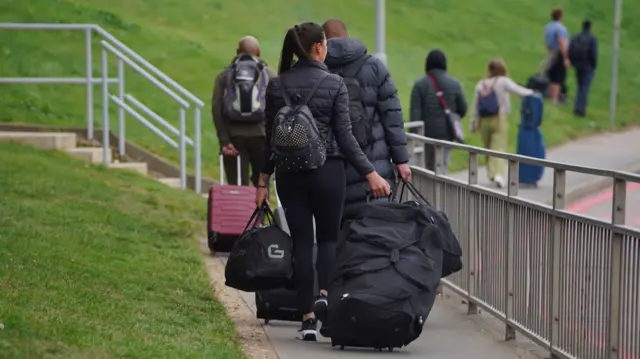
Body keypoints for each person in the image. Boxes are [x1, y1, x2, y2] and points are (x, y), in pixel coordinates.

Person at [254, 22, 390, 341]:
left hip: (290, 174)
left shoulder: (276, 85)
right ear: (318, 47)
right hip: (329, 172)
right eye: (325, 44)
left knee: (302, 242)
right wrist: (371, 173)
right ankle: (325, 299)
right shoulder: (334, 84)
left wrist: (261, 181)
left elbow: (268, 139)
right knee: (328, 241)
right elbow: (346, 138)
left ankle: (306, 321)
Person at [322, 18, 411, 219]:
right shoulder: (374, 67)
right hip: (373, 168)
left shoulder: (317, 70)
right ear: (348, 36)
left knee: (335, 236)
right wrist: (401, 160)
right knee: (375, 231)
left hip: (331, 169)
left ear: (323, 41)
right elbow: (392, 116)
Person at [211, 36, 275, 186]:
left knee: (237, 186)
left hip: (234, 138)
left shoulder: (225, 75)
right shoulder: (269, 75)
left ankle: (240, 209)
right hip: (262, 137)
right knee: (262, 185)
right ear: (258, 52)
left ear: (237, 52)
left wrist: (224, 140)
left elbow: (216, 108)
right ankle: (260, 209)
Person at [470, 58, 534, 188]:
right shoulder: (503, 81)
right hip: (499, 119)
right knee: (498, 147)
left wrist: (473, 123)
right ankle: (498, 174)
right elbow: (520, 91)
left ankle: (491, 174)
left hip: (483, 121)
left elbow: (475, 106)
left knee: (487, 147)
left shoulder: (480, 84)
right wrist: (534, 93)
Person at [410, 49, 468, 173]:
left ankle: (428, 192)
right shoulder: (454, 84)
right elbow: (463, 109)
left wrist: (412, 136)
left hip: (426, 133)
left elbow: (415, 113)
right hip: (446, 133)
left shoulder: (420, 85)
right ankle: (440, 191)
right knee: (442, 166)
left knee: (427, 168)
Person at [569, 19, 598, 117]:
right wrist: (593, 66)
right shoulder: (592, 39)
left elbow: (570, 49)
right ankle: (580, 110)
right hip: (587, 66)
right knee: (585, 88)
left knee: (580, 86)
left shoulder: (577, 37)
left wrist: (573, 63)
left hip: (578, 65)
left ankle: (577, 107)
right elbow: (594, 54)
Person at [541, 7, 570, 105]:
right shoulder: (560, 28)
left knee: (551, 75)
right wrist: (566, 57)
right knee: (558, 78)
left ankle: (550, 96)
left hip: (550, 52)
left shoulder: (548, 27)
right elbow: (562, 42)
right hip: (558, 54)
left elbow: (546, 40)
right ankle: (554, 99)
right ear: (561, 16)